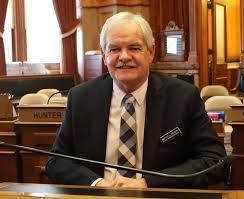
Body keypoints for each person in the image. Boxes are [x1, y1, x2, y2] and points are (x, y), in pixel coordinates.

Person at [46, 12, 226, 188]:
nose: (124, 56)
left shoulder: (183, 97)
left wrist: (148, 183)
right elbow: (56, 161)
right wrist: (98, 184)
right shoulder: (81, 98)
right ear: (104, 55)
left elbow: (214, 160)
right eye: (114, 49)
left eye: (134, 48)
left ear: (151, 52)